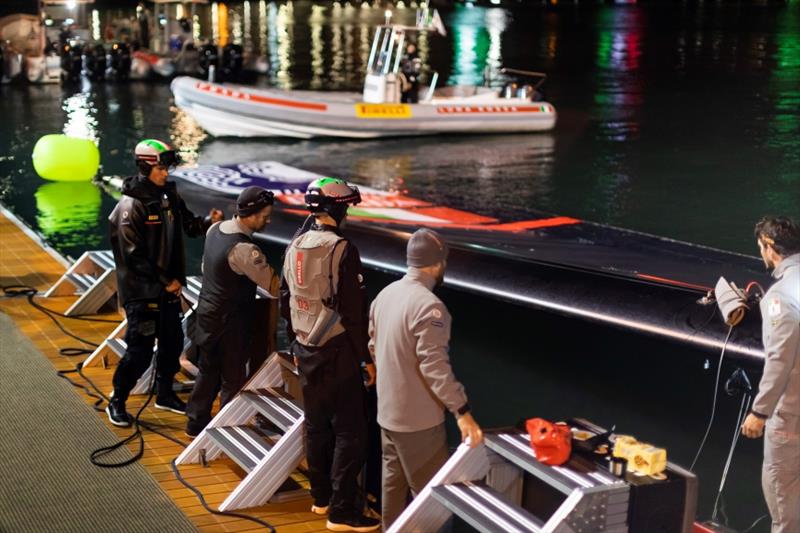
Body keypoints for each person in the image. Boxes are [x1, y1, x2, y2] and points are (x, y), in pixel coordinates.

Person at [280, 178, 379, 532]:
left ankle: (320, 498)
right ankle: (343, 511)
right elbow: (352, 313)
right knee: (351, 432)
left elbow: (284, 297)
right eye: (346, 207)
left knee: (316, 426)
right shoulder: (342, 249)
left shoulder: (294, 245)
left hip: (304, 349)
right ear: (337, 208)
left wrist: (293, 343)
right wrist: (366, 360)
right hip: (337, 352)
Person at [368, 228, 483, 528]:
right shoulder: (430, 307)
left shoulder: (386, 294)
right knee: (430, 499)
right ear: (437, 263)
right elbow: (434, 367)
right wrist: (462, 412)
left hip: (387, 414)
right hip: (417, 423)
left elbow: (372, 345)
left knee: (392, 489)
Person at [106, 139, 223, 427]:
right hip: (142, 293)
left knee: (172, 344)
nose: (166, 173)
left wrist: (208, 222)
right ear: (145, 167)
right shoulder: (131, 204)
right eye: (160, 168)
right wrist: (165, 280)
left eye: (167, 168)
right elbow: (131, 255)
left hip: (168, 290)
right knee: (139, 351)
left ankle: (165, 393)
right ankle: (117, 400)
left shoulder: (169, 195)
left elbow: (189, 225)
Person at [185, 186, 277, 437]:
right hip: (230, 323)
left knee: (207, 372)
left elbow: (208, 267)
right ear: (250, 214)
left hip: (206, 315)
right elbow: (273, 284)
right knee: (232, 379)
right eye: (264, 215)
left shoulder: (215, 229)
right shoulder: (245, 250)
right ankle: (226, 430)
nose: (268, 220)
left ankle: (195, 423)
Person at [741, 216, 800, 533]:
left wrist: (760, 411)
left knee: (783, 499)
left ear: (769, 246)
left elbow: (780, 359)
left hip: (792, 416)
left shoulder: (779, 296)